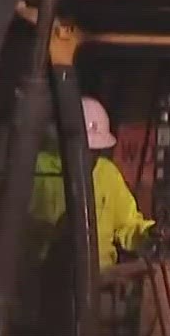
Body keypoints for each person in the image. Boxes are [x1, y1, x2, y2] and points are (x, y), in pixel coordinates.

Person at [28, 95, 155, 271]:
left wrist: (149, 234)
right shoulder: (38, 168)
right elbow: (14, 226)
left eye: (96, 150)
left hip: (100, 280)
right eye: (86, 149)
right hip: (45, 276)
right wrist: (51, 232)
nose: (91, 157)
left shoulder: (107, 173)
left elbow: (129, 225)